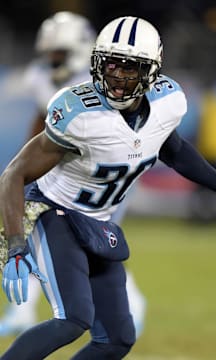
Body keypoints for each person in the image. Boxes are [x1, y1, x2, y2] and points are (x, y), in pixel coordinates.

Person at [0, 16, 216, 359]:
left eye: (130, 68)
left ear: (151, 71)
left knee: (117, 339)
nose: (117, 76)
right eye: (111, 64)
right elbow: (14, 173)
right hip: (53, 211)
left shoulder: (167, 103)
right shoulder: (77, 113)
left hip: (99, 222)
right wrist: (16, 246)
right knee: (72, 319)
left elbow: (173, 148)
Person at [0, 11, 146, 339]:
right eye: (49, 54)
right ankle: (22, 310)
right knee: (39, 238)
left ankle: (133, 304)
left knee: (96, 246)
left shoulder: (99, 81)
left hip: (100, 178)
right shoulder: (40, 78)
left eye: (59, 54)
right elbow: (42, 121)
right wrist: (23, 166)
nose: (52, 61)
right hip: (61, 176)